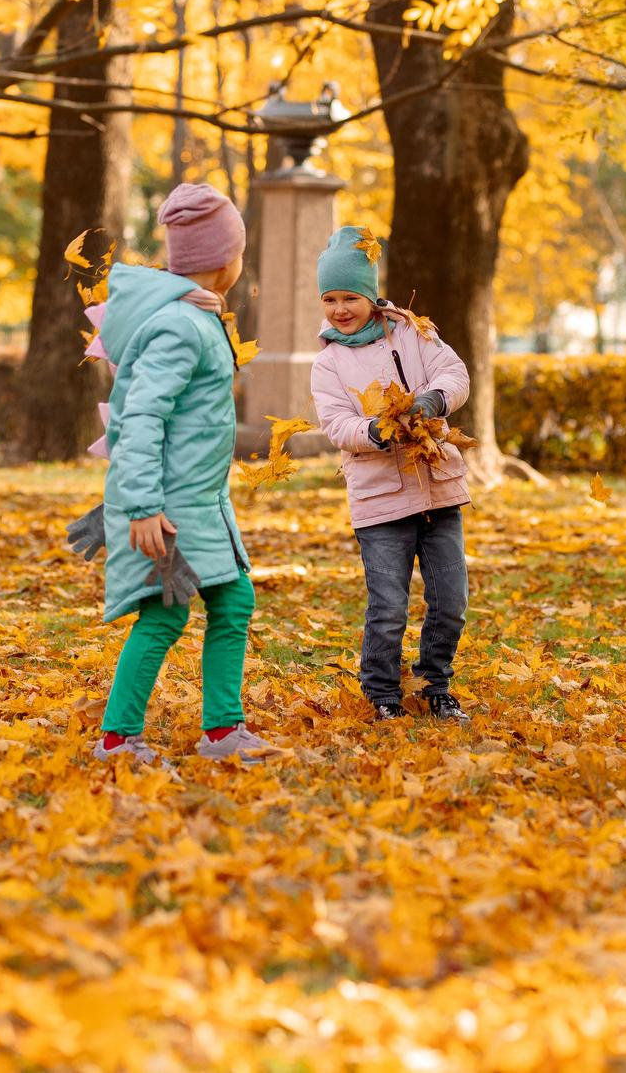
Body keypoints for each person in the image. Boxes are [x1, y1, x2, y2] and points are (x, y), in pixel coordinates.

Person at [67, 183, 276, 768]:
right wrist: (138, 508)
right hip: (169, 507)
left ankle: (222, 731)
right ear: (225, 258)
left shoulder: (193, 315)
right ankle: (116, 740)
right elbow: (140, 415)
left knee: (233, 602)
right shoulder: (180, 327)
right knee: (166, 614)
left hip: (202, 502)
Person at [309, 226, 474, 724]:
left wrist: (433, 401)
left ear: (371, 295)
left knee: (451, 601)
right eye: (330, 299)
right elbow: (336, 423)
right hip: (379, 502)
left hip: (437, 490)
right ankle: (381, 690)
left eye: (350, 297)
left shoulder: (413, 332)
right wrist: (375, 432)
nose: (340, 309)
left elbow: (455, 374)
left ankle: (433, 684)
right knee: (388, 607)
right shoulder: (328, 363)